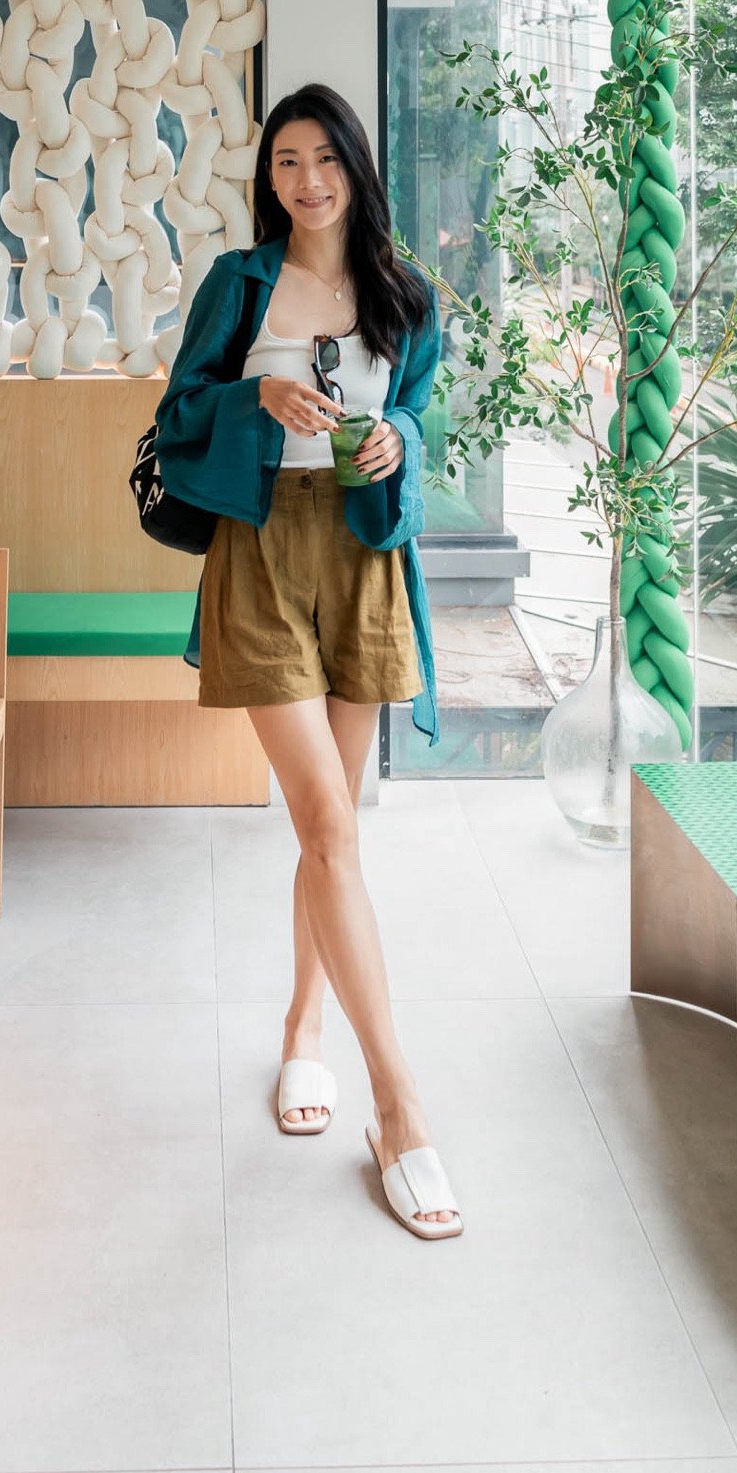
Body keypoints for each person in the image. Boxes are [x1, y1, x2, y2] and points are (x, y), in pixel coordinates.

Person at [154, 81, 462, 1241]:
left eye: (324, 158)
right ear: (268, 174)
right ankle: (400, 1107)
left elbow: (421, 421)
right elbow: (178, 415)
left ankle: (301, 1029)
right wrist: (253, 395)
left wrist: (394, 439)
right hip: (259, 551)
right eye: (287, 160)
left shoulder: (405, 294)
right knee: (327, 822)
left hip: (361, 554)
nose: (306, 179)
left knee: (327, 826)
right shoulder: (238, 284)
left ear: (354, 167)